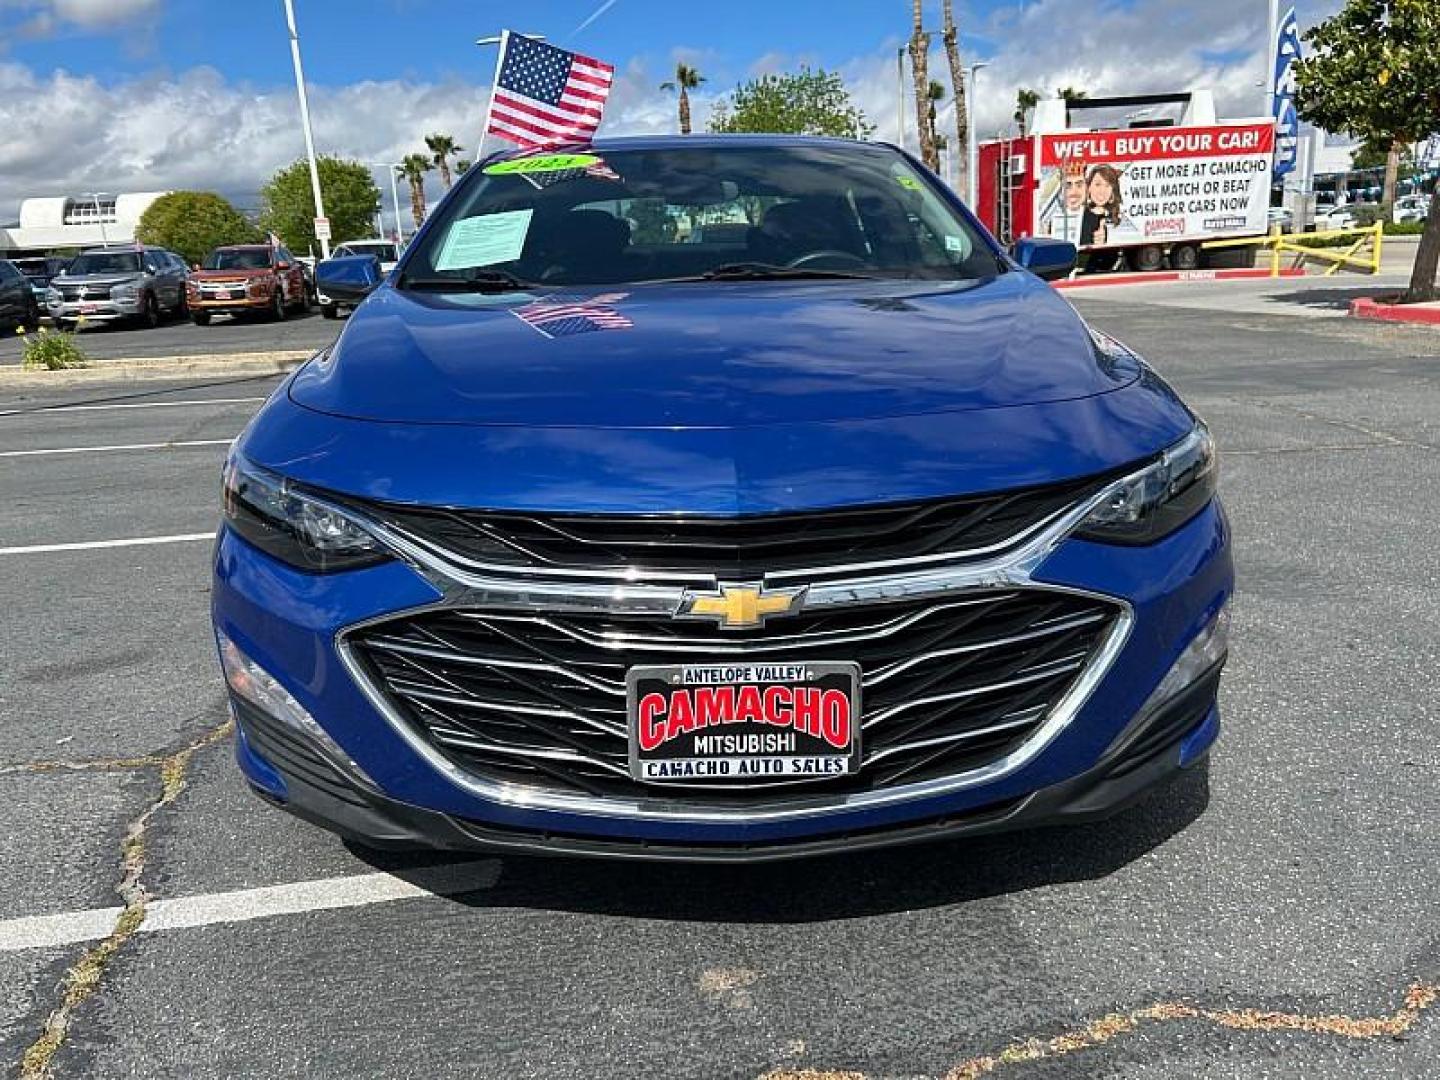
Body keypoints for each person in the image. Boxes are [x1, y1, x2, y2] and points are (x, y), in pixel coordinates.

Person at [1080, 164, 1124, 247]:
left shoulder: (1116, 217)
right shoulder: (1081, 216)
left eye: (1107, 185)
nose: (1102, 191)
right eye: (1097, 184)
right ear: (1089, 187)